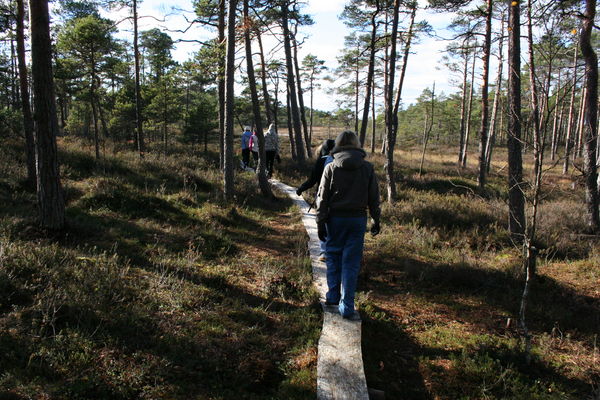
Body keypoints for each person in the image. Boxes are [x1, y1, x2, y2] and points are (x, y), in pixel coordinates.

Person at [315, 130, 381, 320]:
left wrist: (320, 222)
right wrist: (376, 219)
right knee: (351, 263)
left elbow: (322, 198)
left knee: (333, 257)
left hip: (335, 220)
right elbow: (373, 198)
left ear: (337, 145)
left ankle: (332, 297)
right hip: (357, 220)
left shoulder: (331, 166)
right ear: (357, 144)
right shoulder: (367, 168)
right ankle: (347, 306)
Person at [296, 138, 335, 260]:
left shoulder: (322, 161)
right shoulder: (339, 160)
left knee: (323, 222)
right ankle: (335, 250)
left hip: (322, 196)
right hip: (339, 197)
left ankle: (324, 252)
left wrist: (301, 188)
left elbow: (313, 179)